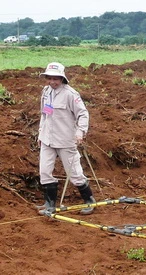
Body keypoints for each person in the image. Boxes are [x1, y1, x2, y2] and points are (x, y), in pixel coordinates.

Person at [36, 62, 96, 216]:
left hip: (65, 140)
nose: (52, 82)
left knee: (75, 173)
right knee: (44, 172)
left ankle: (89, 200)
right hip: (47, 139)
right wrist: (40, 132)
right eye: (50, 78)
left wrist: (80, 132)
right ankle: (49, 204)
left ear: (62, 79)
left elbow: (83, 114)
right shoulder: (46, 92)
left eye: (56, 79)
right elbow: (44, 114)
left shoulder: (70, 94)